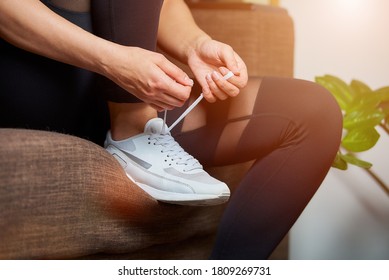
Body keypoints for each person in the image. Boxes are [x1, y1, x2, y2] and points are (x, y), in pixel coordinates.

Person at [0, 0, 343, 259]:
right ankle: (133, 128)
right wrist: (113, 61)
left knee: (314, 114)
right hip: (37, 78)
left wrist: (195, 44)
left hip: (110, 89)